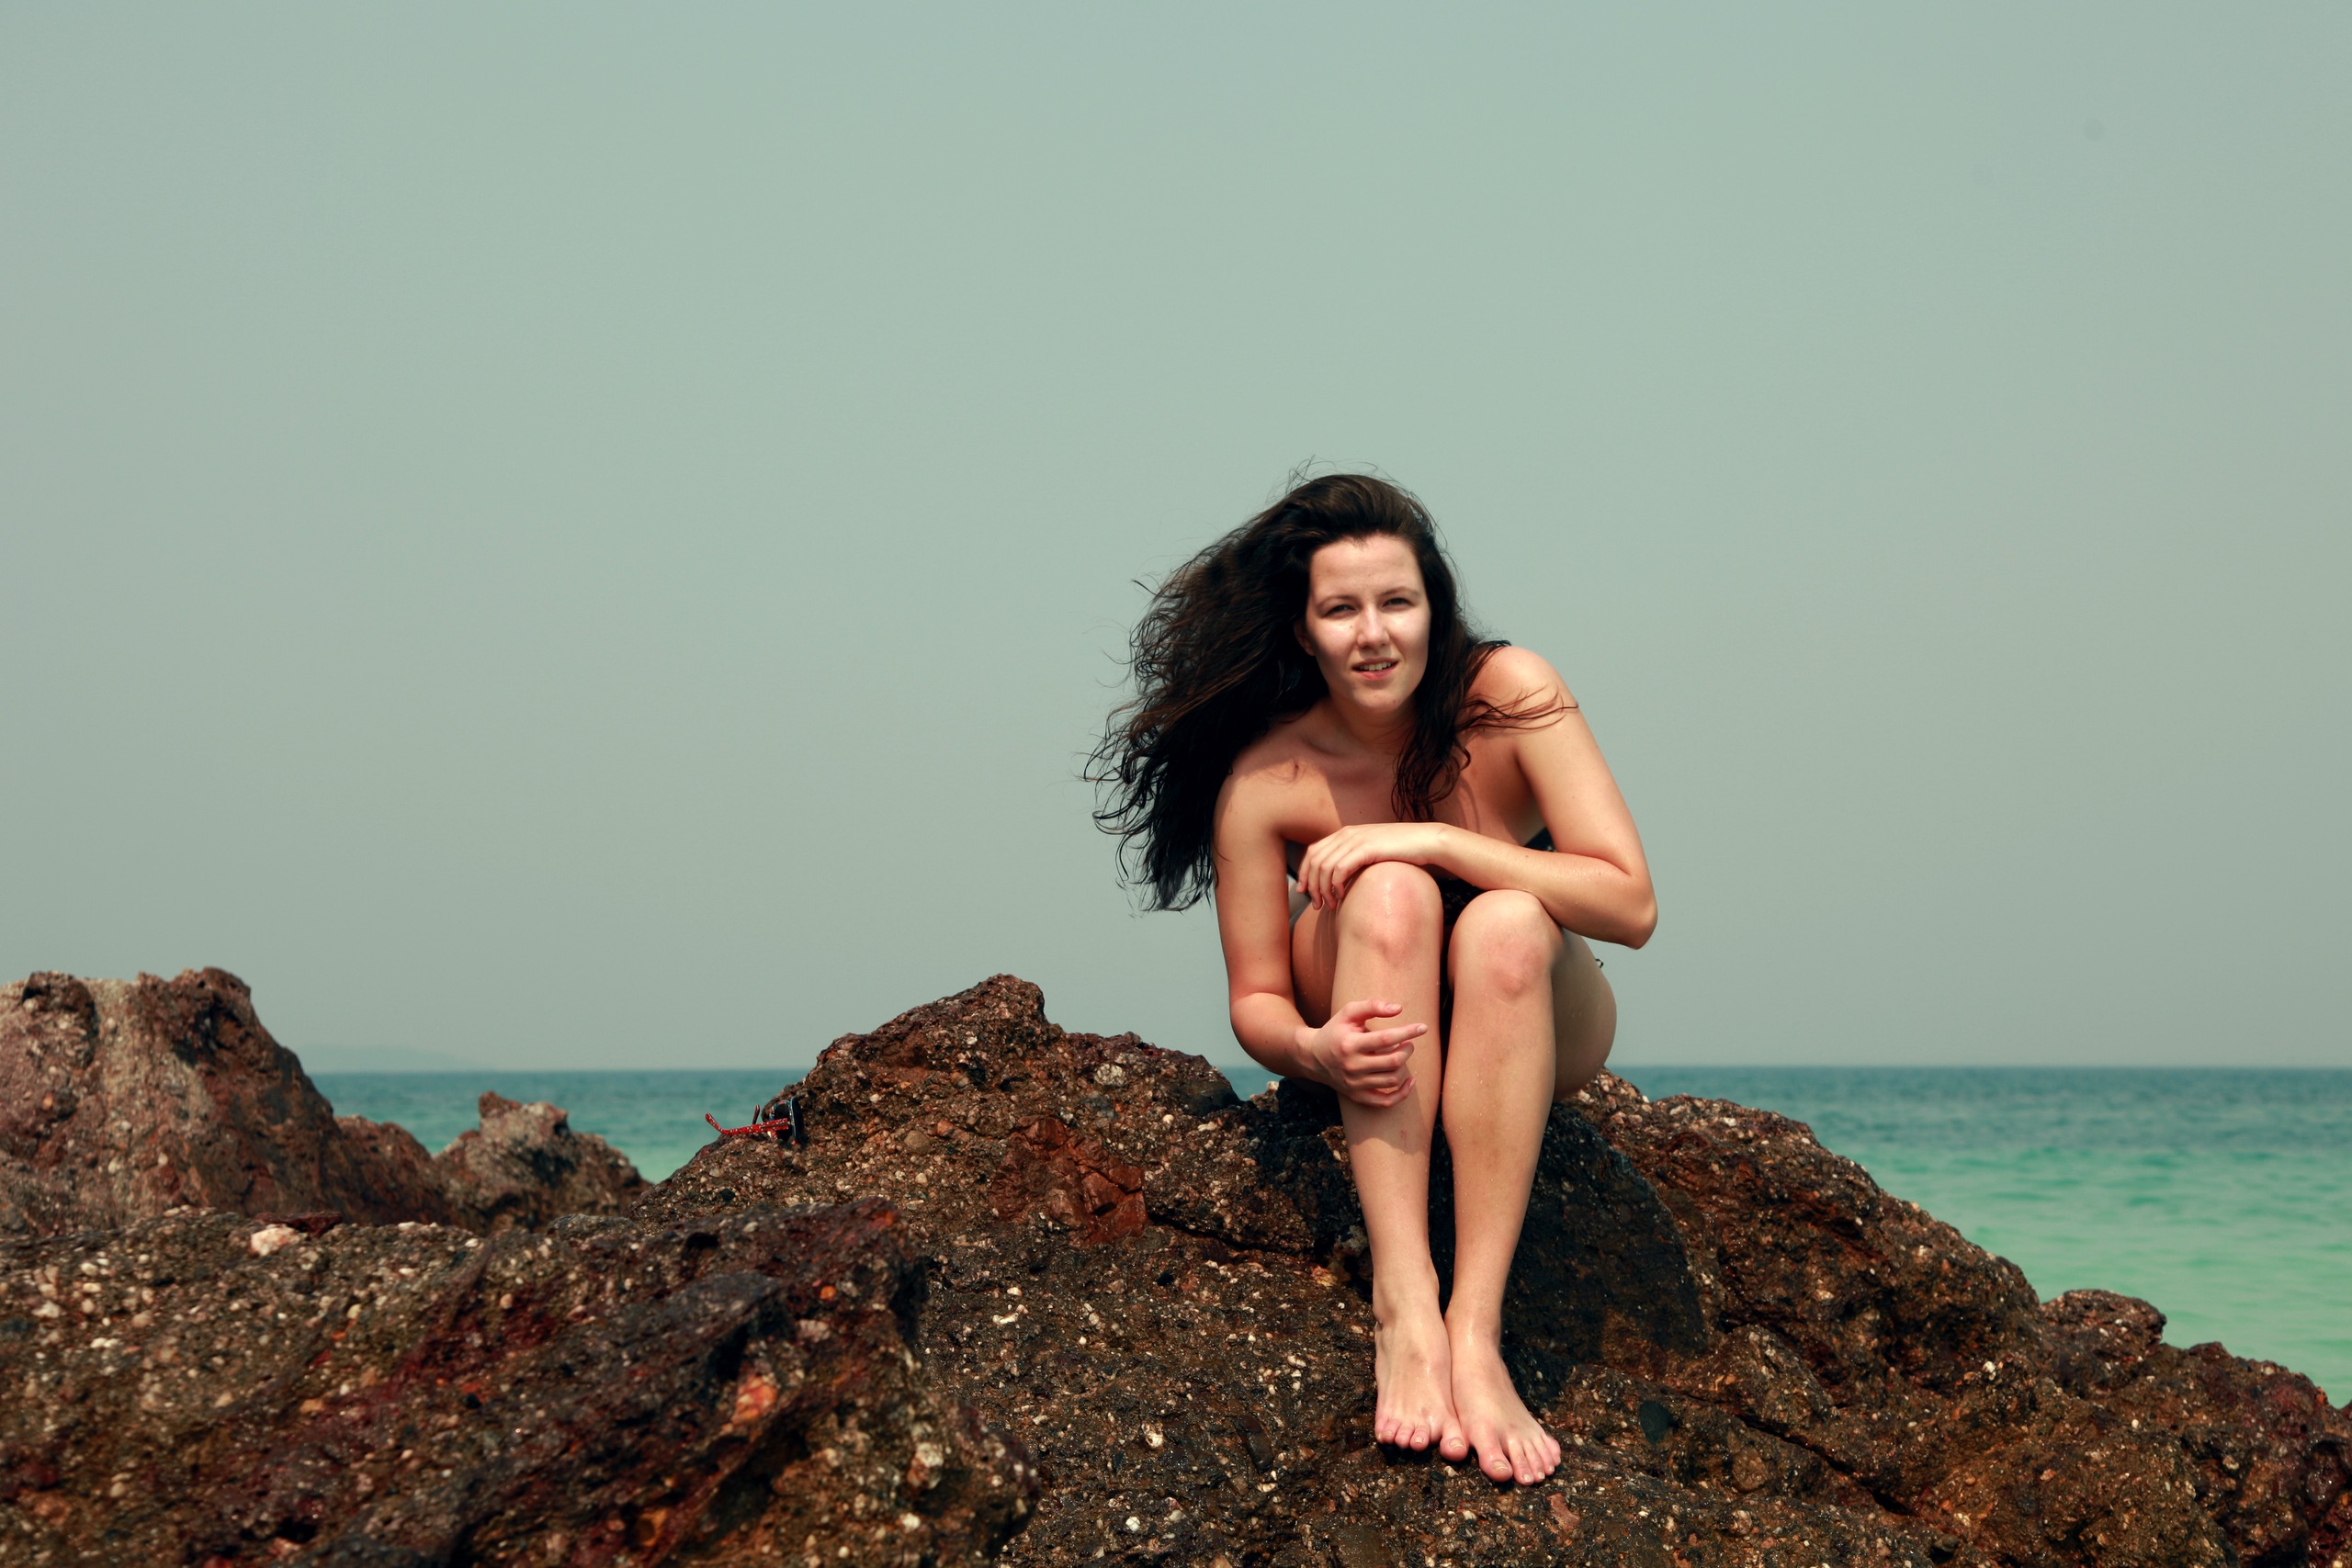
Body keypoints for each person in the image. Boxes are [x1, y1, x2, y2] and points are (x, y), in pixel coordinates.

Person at [1094, 473, 1657, 1486]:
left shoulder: (1512, 692)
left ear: (1434, 606)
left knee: (1504, 919)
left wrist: (1436, 837)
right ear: (1302, 631)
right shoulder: (1267, 780)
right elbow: (1257, 999)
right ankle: (1406, 1307)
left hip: (1530, 1002)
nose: (1373, 634)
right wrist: (1312, 1051)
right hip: (1368, 993)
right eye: (1340, 609)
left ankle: (1474, 1332)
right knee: (1390, 892)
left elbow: (1630, 905)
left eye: (1397, 601)